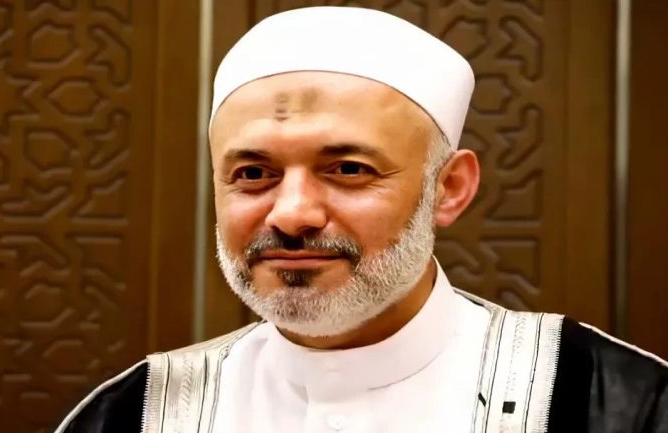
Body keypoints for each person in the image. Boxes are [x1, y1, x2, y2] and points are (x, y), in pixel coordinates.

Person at [55, 6, 668, 433]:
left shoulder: (608, 401)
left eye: (348, 169)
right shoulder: (134, 413)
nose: (292, 214)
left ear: (449, 189)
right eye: (254, 173)